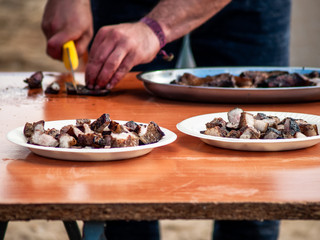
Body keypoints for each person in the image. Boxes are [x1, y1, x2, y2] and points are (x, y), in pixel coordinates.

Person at [42, 0, 291, 239]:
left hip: (248, 7)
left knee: (256, 178)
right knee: (118, 177)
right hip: (126, 5)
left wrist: (155, 28)